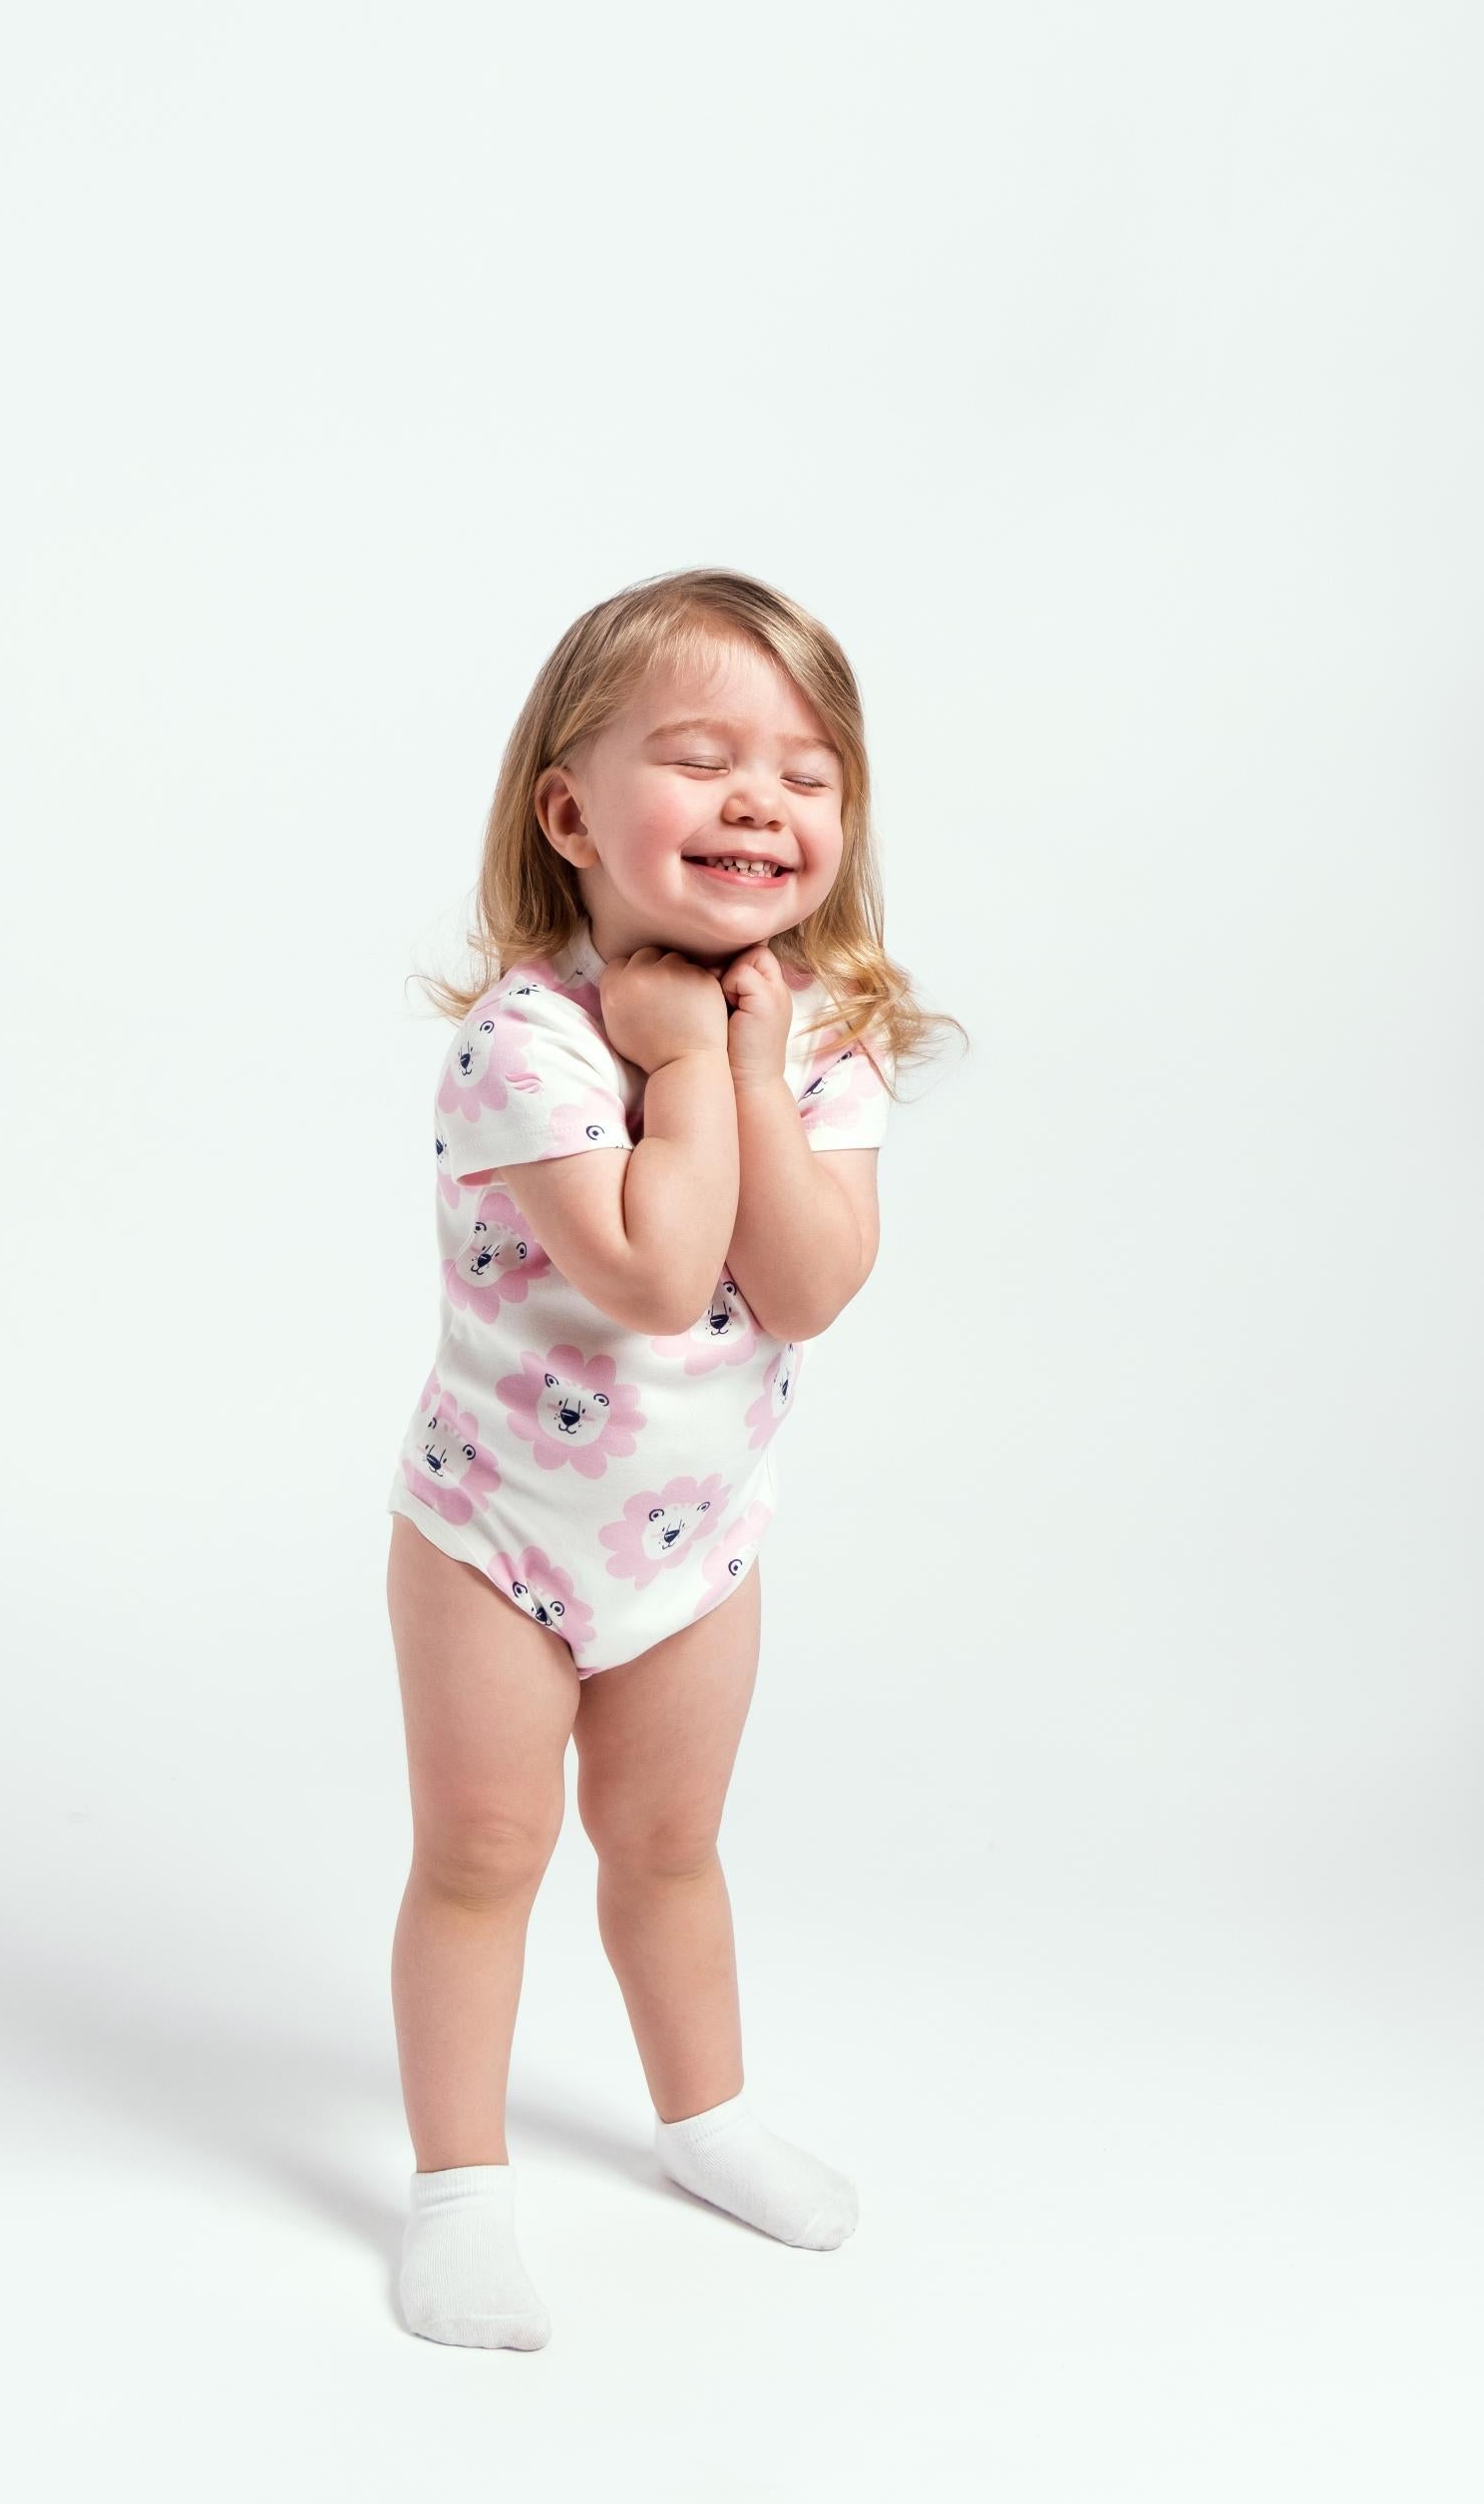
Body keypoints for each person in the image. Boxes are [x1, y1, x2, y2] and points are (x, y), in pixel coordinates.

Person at [384, 565, 959, 2348]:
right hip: (494, 1533)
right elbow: (645, 1274)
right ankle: (457, 2189)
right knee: (483, 1852)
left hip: (694, 1540)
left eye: (805, 772)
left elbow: (806, 1286)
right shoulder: (527, 1041)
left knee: (668, 1844)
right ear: (570, 815)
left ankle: (702, 2121)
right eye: (700, 759)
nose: (757, 801)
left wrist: (750, 1058)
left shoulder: (822, 1035)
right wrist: (683, 1066)